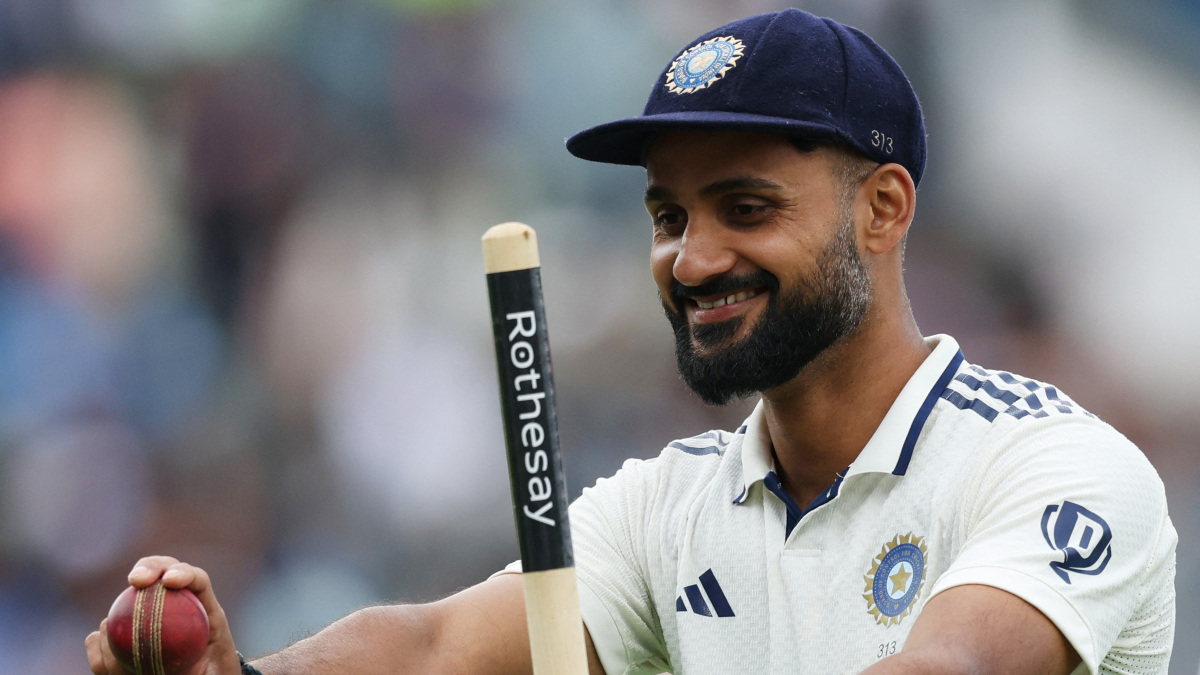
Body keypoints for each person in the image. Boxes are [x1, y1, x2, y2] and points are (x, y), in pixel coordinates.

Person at [86, 9, 1176, 675]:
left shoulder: (1052, 465)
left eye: (746, 209)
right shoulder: (670, 507)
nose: (692, 260)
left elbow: (957, 666)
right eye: (668, 218)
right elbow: (432, 648)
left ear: (883, 210)